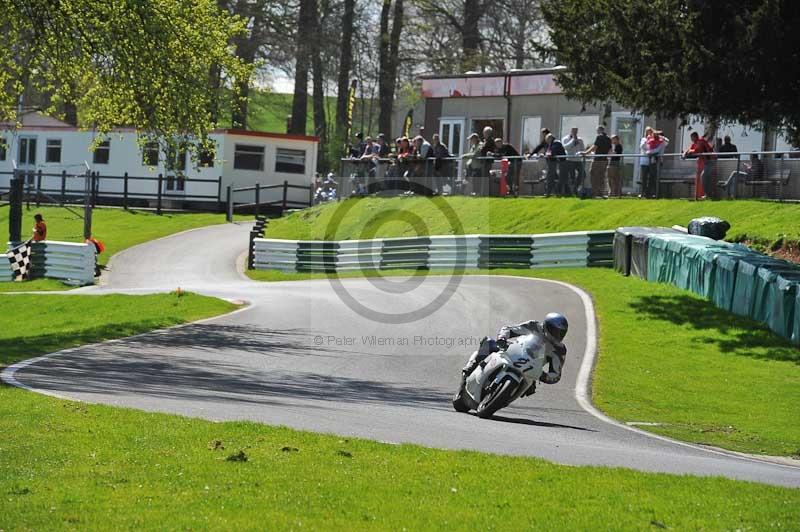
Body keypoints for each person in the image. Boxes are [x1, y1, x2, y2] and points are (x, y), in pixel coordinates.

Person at [461, 313, 569, 396]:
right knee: (488, 343)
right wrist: (502, 338)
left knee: (530, 387)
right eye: (555, 331)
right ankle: (470, 368)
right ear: (546, 326)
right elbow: (510, 329)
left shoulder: (559, 350)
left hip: (531, 369)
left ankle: (505, 396)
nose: (558, 335)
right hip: (514, 351)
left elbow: (556, 374)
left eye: (561, 333)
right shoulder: (534, 326)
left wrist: (543, 376)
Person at [683, 131, 716, 199]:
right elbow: (690, 149)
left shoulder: (700, 141)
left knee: (704, 176)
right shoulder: (695, 143)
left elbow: (697, 150)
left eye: (692, 137)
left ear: (695, 137)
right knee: (705, 177)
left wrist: (687, 152)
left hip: (711, 161)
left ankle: (708, 195)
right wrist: (686, 152)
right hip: (707, 162)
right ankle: (708, 195)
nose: (691, 139)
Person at [582, 126, 612, 197]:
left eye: (597, 131)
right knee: (601, 177)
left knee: (593, 175)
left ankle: (595, 192)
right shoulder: (608, 138)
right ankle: (602, 192)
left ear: (599, 130)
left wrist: (586, 152)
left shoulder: (599, 137)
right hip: (604, 160)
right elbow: (610, 150)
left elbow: (595, 147)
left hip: (597, 160)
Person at [478, 127, 497, 195]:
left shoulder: (490, 141)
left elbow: (483, 149)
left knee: (485, 177)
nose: (484, 134)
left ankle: (485, 192)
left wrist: (482, 146)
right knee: (484, 177)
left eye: (485, 133)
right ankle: (484, 192)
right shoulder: (486, 141)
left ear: (488, 133)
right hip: (484, 161)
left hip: (487, 161)